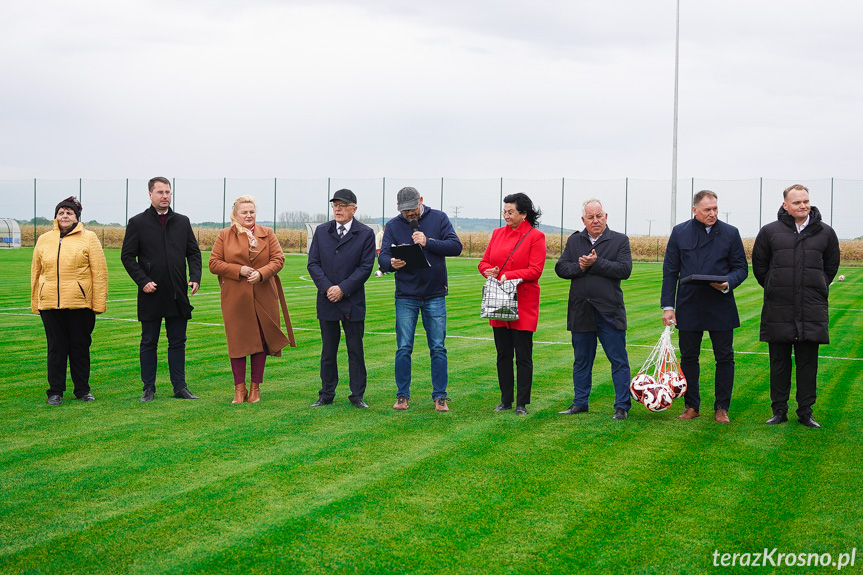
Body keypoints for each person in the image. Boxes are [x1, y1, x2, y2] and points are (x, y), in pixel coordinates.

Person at [752, 184, 840, 429]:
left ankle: (806, 412)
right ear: (785, 205)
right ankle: (779, 410)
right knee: (778, 363)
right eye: (797, 202)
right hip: (778, 308)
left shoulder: (825, 233)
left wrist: (819, 283)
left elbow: (830, 266)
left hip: (811, 308)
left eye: (806, 201)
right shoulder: (770, 232)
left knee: (808, 364)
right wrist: (773, 284)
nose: (803, 205)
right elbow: (760, 267)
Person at [661, 190, 748, 423]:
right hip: (689, 303)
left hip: (721, 303)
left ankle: (722, 407)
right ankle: (692, 406)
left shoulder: (730, 233)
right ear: (695, 210)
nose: (712, 213)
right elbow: (670, 271)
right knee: (689, 357)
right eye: (707, 210)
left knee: (725, 357)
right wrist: (668, 306)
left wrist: (727, 283)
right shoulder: (680, 232)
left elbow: (741, 268)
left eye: (715, 209)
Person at [378, 186, 463, 412]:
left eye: (412, 209)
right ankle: (402, 395)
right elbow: (383, 255)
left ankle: (440, 396)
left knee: (437, 347)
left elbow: (456, 247)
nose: (410, 214)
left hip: (435, 294)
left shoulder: (439, 218)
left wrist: (428, 242)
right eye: (405, 211)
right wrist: (389, 264)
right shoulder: (394, 225)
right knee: (404, 347)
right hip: (406, 295)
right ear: (399, 208)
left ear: (421, 201)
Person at [121, 177, 202, 401]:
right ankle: (149, 388)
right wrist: (143, 280)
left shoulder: (182, 222)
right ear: (150, 195)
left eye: (168, 192)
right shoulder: (137, 223)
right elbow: (127, 256)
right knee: (149, 342)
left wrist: (194, 276)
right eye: (160, 192)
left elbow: (193, 253)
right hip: (151, 293)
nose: (165, 196)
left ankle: (180, 387)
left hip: (177, 293)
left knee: (178, 342)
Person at [209, 195, 293, 404]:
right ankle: (239, 389)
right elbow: (214, 263)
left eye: (252, 212)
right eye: (244, 212)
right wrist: (240, 270)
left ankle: (255, 388)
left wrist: (262, 273)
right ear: (235, 214)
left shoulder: (268, 234)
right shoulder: (224, 235)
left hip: (264, 295)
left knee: (261, 342)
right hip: (235, 298)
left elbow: (278, 259)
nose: (248, 215)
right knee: (237, 342)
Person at [555, 199, 633, 420]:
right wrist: (579, 266)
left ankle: (622, 406)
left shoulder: (619, 240)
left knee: (618, 360)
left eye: (599, 215)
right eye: (591, 217)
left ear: (606, 217)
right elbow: (561, 267)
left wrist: (596, 263)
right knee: (581, 360)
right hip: (581, 310)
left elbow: (625, 269)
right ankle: (580, 403)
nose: (595, 220)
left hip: (610, 311)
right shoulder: (574, 240)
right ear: (584, 220)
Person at [30, 197, 108, 405]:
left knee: (80, 347)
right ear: (55, 216)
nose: (65, 216)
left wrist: (98, 304)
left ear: (77, 217)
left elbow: (99, 272)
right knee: (56, 348)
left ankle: (82, 390)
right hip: (50, 304)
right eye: (61, 212)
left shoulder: (89, 238)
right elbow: (36, 272)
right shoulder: (44, 239)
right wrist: (35, 301)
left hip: (80, 304)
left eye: (69, 213)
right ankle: (55, 391)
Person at [307, 189, 376, 408]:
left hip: (352, 301)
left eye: (343, 205)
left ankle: (357, 395)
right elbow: (313, 263)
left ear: (354, 208)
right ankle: (326, 394)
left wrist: (343, 289)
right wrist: (328, 288)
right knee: (328, 350)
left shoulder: (365, 233)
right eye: (335, 205)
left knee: (355, 349)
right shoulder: (321, 231)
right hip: (327, 299)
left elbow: (365, 267)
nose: (338, 208)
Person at [478, 193, 546, 415]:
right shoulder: (497, 234)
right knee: (503, 354)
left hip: (523, 303)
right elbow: (484, 262)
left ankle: (521, 403)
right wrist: (487, 270)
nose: (506, 216)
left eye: (510, 212)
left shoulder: (536, 237)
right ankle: (505, 399)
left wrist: (509, 275)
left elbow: (535, 270)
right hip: (499, 301)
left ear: (523, 214)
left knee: (523, 356)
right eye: (504, 212)